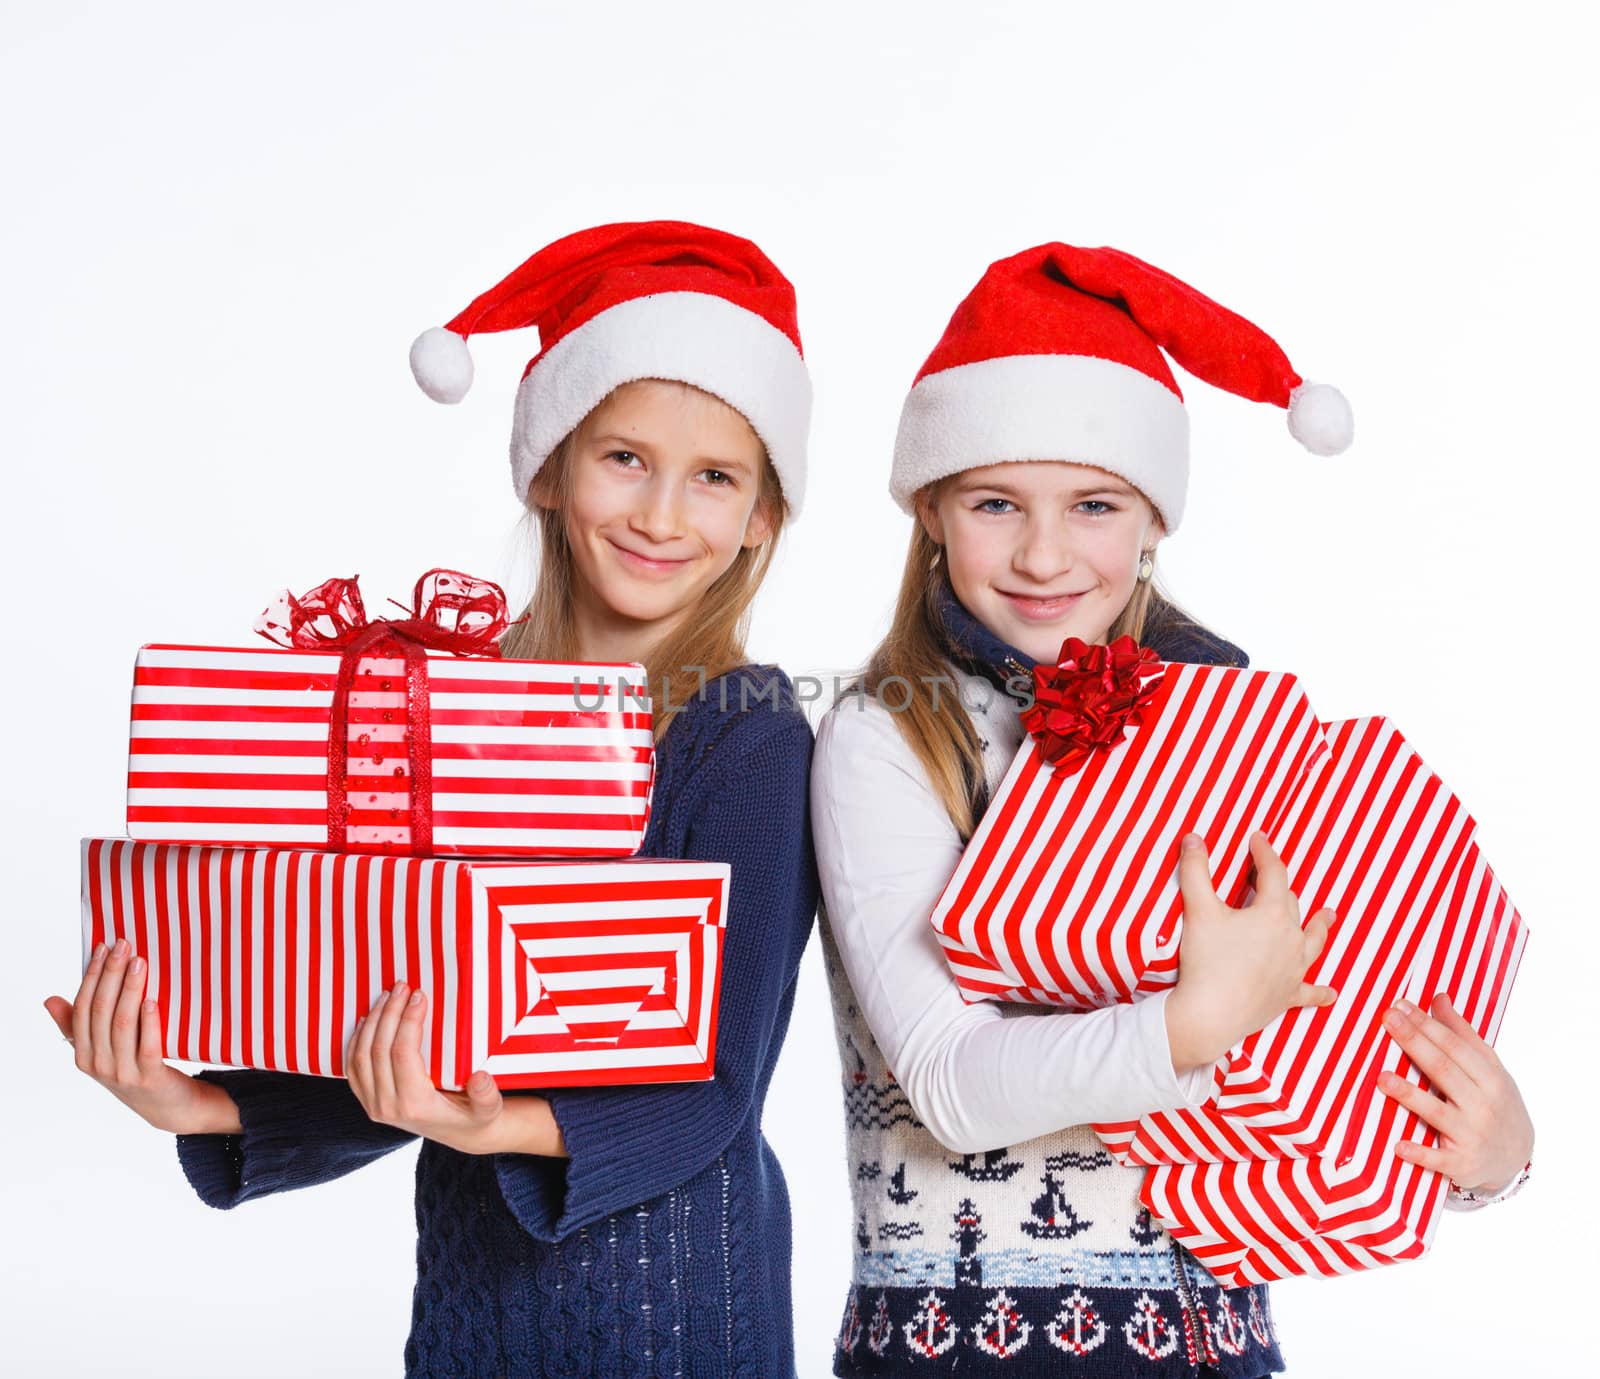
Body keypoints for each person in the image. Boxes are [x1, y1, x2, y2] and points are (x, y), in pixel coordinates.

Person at [45, 221, 821, 1379]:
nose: (662, 514)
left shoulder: (746, 732)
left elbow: (713, 1088)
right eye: (624, 457)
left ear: (761, 514)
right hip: (472, 1312)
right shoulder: (455, 712)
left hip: (678, 1310)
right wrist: (199, 1101)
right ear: (549, 466)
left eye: (714, 476)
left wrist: (488, 1121)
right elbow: (390, 1034)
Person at [810, 243, 1534, 1377]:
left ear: (1152, 521)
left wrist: (1486, 1157)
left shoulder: (1234, 723)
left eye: (1092, 504)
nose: (1045, 552)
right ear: (933, 516)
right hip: (965, 1352)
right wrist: (1193, 1024)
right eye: (996, 501)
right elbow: (950, 1083)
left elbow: (1320, 1055)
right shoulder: (892, 734)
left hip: (1215, 1345)